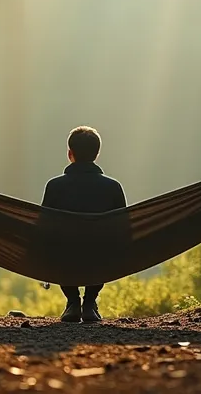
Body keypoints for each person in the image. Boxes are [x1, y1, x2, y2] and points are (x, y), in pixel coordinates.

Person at [41, 125, 127, 323]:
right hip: (101, 259)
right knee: (105, 244)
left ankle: (72, 302)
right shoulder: (113, 187)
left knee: (56, 243)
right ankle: (89, 302)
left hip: (64, 258)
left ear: (70, 154)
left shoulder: (54, 186)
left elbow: (43, 227)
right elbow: (123, 229)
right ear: (97, 154)